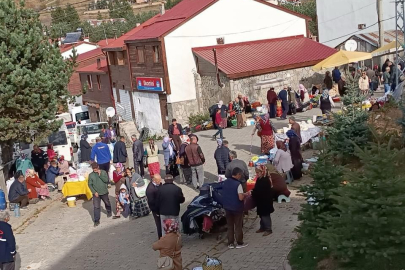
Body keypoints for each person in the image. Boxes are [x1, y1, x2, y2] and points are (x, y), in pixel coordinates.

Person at [222, 167, 248, 249]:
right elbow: (240, 197)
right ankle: (239, 243)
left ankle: (230, 243)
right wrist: (245, 194)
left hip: (227, 207)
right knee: (238, 225)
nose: (240, 177)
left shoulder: (225, 182)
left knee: (230, 226)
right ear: (238, 174)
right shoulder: (238, 184)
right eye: (240, 175)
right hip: (236, 208)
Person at [252, 165, 274, 236]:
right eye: (256, 172)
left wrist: (253, 193)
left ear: (262, 172)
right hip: (261, 201)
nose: (257, 174)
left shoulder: (265, 180)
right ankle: (262, 227)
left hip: (265, 201)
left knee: (265, 215)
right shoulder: (259, 179)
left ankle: (268, 229)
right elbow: (257, 189)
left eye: (258, 172)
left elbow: (261, 191)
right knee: (261, 215)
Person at [146, 174, 163, 239]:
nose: (160, 181)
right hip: (156, 209)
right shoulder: (150, 189)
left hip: (162, 207)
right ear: (154, 180)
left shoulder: (159, 184)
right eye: (159, 180)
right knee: (159, 224)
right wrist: (156, 212)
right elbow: (151, 202)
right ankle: (161, 238)